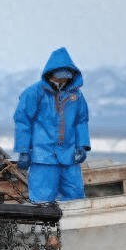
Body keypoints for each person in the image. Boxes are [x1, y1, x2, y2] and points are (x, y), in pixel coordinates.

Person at [13, 47, 90, 203]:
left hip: (69, 156)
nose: (63, 79)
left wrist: (82, 145)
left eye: (67, 76)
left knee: (75, 196)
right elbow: (22, 121)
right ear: (50, 74)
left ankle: (73, 219)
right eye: (60, 75)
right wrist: (23, 151)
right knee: (41, 199)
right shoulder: (33, 93)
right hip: (43, 157)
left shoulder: (76, 96)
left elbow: (81, 121)